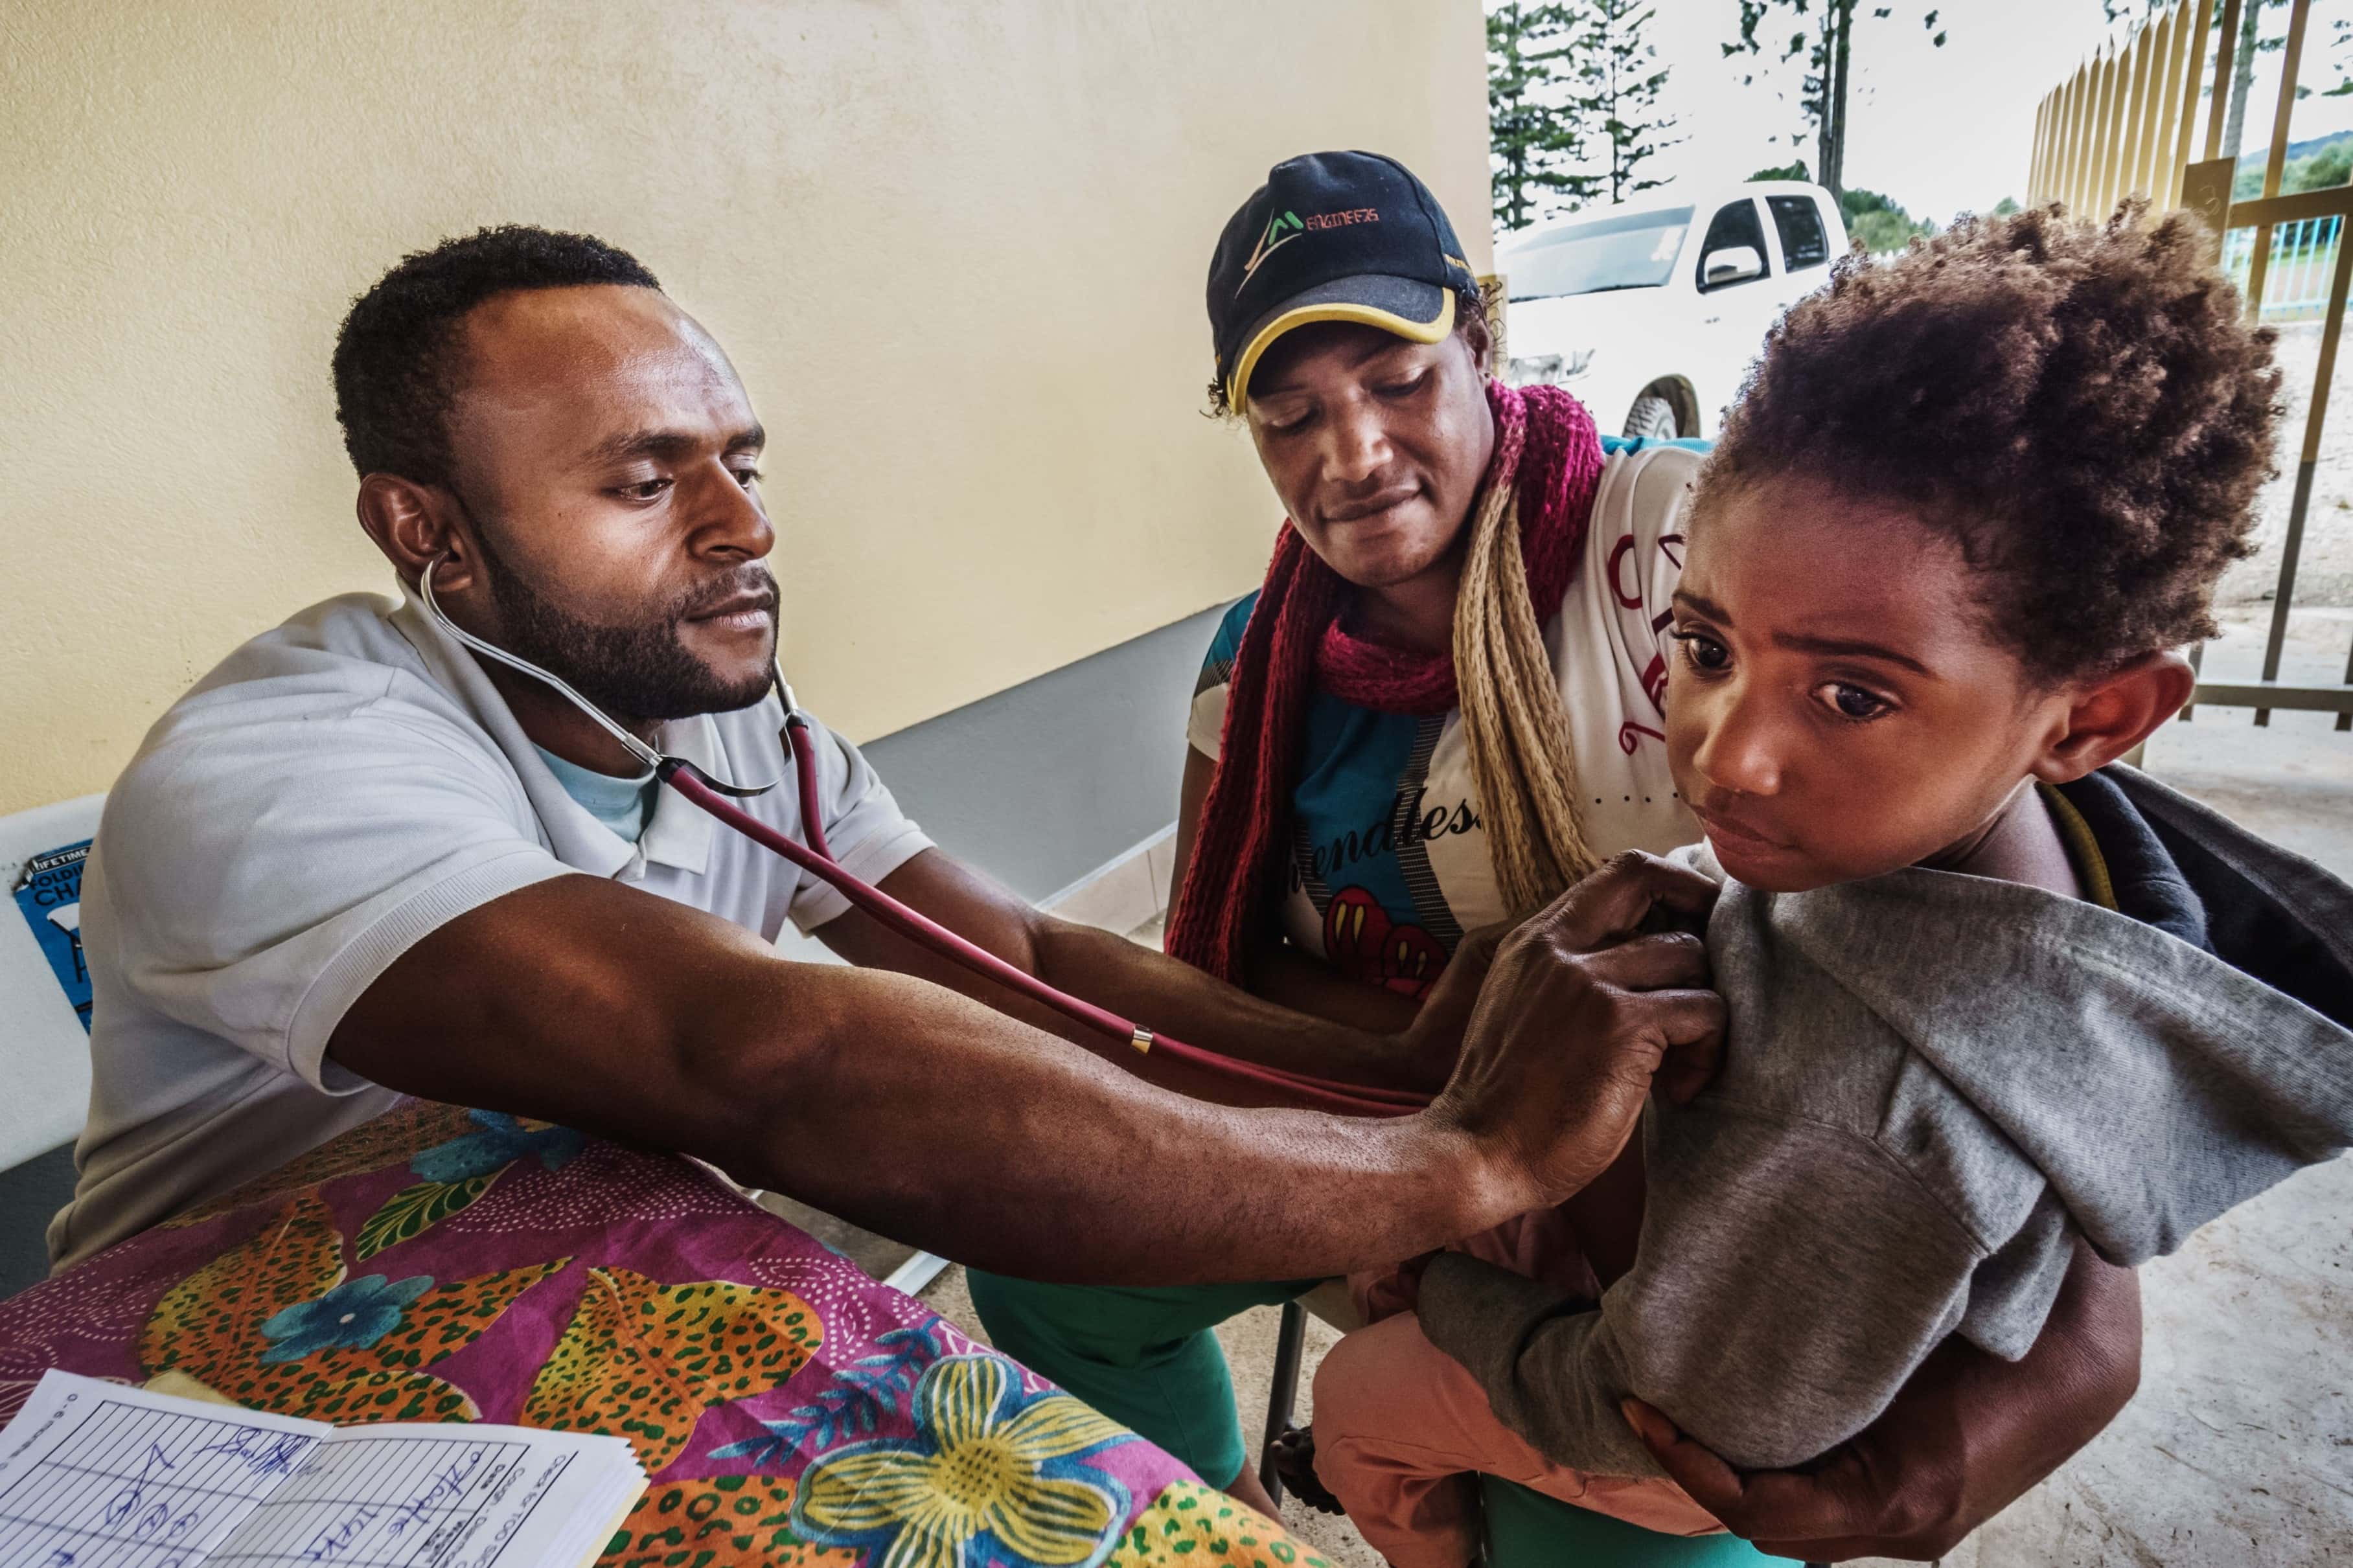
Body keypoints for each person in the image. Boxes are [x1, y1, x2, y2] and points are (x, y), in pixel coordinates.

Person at [53, 226, 1727, 1313]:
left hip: (589, 1310)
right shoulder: (278, 765)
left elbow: (1031, 958)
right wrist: (1457, 1161)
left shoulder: (723, 726)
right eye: (646, 481)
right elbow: (767, 1053)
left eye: (741, 459)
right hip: (229, 1369)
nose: (745, 526)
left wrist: (1401, 1079)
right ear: (427, 531)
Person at [969, 151, 2146, 1558]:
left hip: (1671, 1218)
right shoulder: (1254, 669)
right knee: (1047, 1252)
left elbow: (2000, 907)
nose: (1352, 456)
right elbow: (1229, 968)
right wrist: (1467, 1068)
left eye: (1397, 380)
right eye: (1289, 417)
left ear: (1481, 339)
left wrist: (2093, 1326)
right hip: (1387, 1141)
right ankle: (1218, 1519)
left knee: (1583, 1479)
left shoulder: (1688, 547)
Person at [1305, 199, 2353, 1565]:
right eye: (1706, 648)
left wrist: (1441, 1280)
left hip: (1659, 1414)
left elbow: (1673, 1415)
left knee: (1354, 1401)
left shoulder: (1874, 1124)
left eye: (1852, 694)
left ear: (2091, 717)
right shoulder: (1981, 826)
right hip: (1693, 1249)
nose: (1722, 754)